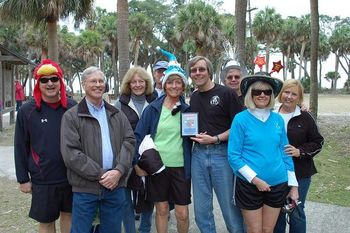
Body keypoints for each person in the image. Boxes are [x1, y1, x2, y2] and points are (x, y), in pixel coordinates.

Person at [60, 66, 135, 233]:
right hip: (85, 189)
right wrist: (101, 174)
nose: (98, 85)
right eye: (93, 81)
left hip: (115, 186)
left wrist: (118, 171)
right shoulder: (72, 117)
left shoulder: (117, 114)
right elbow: (71, 154)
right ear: (84, 84)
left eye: (101, 81)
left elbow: (129, 141)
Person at [228, 72, 299, 233]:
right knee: (254, 230)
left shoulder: (278, 119)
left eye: (267, 91)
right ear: (250, 94)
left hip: (278, 184)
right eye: (257, 91)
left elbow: (285, 152)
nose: (262, 95)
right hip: (249, 185)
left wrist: (293, 186)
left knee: (268, 230)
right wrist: (255, 180)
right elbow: (233, 156)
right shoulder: (240, 119)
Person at [14, 59, 76, 233]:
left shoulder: (72, 107)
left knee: (69, 216)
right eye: (44, 80)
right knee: (46, 222)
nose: (50, 83)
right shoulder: (27, 111)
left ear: (60, 82)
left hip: (71, 176)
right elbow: (20, 146)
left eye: (54, 79)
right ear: (38, 83)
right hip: (43, 178)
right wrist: (23, 179)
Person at [135, 49, 192, 233]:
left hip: (181, 168)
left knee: (182, 213)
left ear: (183, 87)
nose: (174, 86)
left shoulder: (188, 111)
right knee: (162, 209)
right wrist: (137, 164)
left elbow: (194, 139)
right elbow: (138, 137)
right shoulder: (152, 109)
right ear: (164, 84)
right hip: (157, 167)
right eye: (170, 82)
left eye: (178, 82)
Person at [188, 56, 245, 233]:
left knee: (230, 209)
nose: (198, 73)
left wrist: (215, 139)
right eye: (194, 70)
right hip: (198, 155)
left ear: (210, 72)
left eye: (201, 69)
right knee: (201, 211)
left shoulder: (226, 93)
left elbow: (238, 128)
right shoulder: (194, 97)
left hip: (221, 153)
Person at [274, 79, 324, 233]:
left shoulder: (305, 116)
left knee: (296, 211)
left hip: (300, 173)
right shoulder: (271, 113)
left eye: (294, 94)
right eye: (286, 92)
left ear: (299, 97)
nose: (289, 96)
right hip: (276, 173)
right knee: (277, 212)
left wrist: (299, 151)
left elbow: (318, 142)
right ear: (281, 94)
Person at [116, 66, 156, 233]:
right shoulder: (120, 104)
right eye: (134, 82)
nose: (138, 85)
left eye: (141, 81)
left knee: (149, 195)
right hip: (126, 155)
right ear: (128, 84)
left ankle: (145, 229)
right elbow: (116, 131)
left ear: (146, 83)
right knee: (126, 199)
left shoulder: (155, 101)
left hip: (150, 156)